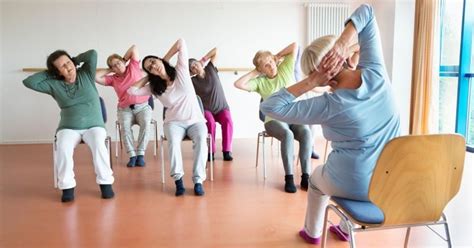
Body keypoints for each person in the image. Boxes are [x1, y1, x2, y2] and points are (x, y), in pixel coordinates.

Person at [260, 4, 400, 244]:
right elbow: (366, 10)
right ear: (343, 56)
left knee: (315, 180)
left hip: (354, 182)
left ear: (320, 75)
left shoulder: (328, 105)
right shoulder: (376, 73)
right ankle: (346, 228)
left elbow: (269, 107)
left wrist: (311, 81)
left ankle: (312, 233)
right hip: (391, 180)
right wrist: (343, 41)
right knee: (360, 168)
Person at [23, 49, 115, 202]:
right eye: (62, 67)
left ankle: (105, 184)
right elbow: (29, 82)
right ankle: (67, 187)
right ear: (57, 72)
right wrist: (50, 73)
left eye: (68, 63)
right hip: (68, 127)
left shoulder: (86, 73)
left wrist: (75, 59)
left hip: (94, 125)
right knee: (63, 145)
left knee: (99, 144)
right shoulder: (53, 84)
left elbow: (92, 54)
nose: (68, 67)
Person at [128, 39, 208, 197]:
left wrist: (164, 59)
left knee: (201, 139)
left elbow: (181, 42)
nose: (153, 66)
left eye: (152, 61)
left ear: (158, 59)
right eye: (149, 67)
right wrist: (149, 77)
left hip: (195, 120)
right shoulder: (154, 87)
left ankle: (198, 181)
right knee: (173, 142)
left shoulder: (181, 70)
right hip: (174, 123)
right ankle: (178, 180)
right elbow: (131, 91)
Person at [234, 42, 313, 193]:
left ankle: (305, 177)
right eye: (265, 65)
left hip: (293, 117)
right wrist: (255, 72)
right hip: (273, 121)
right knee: (288, 135)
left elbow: (294, 46)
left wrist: (277, 56)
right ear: (261, 70)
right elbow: (238, 83)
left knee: (306, 132)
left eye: (270, 62)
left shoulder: (285, 69)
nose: (270, 66)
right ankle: (289, 178)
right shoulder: (260, 82)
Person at [96, 45, 152, 168]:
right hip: (125, 109)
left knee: (146, 123)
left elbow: (134, 48)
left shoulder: (133, 67)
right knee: (125, 128)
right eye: (113, 66)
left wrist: (124, 60)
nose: (117, 66)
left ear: (123, 62)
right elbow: (95, 77)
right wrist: (109, 70)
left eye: (118, 63)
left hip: (143, 107)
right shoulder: (112, 79)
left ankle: (140, 154)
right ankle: (132, 155)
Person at [189, 47, 234, 161]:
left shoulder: (210, 69)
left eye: (195, 64)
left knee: (228, 121)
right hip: (207, 110)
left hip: (221, 108)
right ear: (191, 72)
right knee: (210, 123)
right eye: (192, 68)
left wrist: (203, 60)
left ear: (199, 63)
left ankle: (227, 151)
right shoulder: (192, 81)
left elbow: (216, 51)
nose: (194, 67)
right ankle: (210, 151)